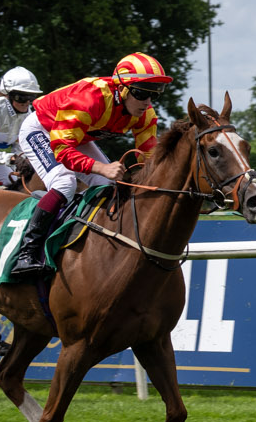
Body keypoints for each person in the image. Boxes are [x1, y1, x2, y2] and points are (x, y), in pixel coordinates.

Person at [9, 53, 171, 279]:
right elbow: (62, 150)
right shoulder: (90, 98)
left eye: (154, 94)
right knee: (65, 183)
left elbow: (150, 159)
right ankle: (26, 253)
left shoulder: (145, 114)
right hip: (43, 130)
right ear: (121, 89)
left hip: (77, 136)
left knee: (110, 185)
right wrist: (101, 167)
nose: (147, 102)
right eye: (142, 93)